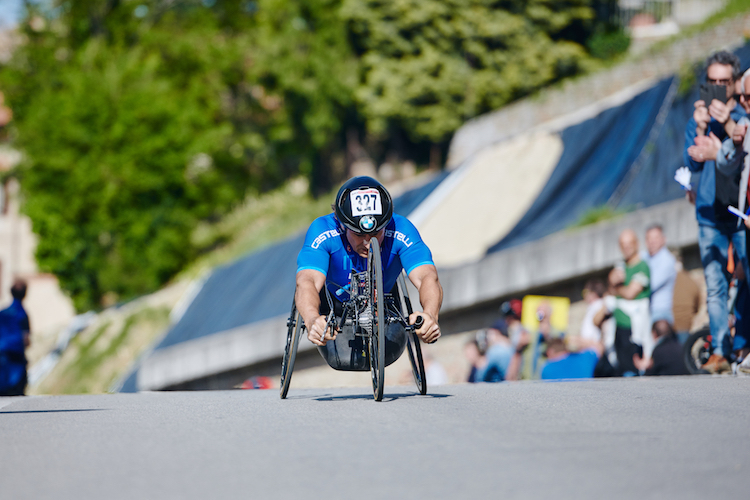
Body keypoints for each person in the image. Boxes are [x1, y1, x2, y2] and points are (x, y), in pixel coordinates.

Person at [295, 176, 442, 371]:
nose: (367, 241)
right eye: (358, 234)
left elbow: (427, 276)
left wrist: (430, 314)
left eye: (375, 234)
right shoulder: (323, 231)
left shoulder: (401, 228)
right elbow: (307, 282)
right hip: (333, 301)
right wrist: (313, 319)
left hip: (384, 299)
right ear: (341, 223)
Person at [684, 51, 748, 374]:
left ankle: (743, 346)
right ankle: (720, 350)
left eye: (725, 81)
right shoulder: (699, 118)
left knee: (747, 278)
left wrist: (726, 122)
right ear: (706, 84)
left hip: (740, 212)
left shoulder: (742, 113)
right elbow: (691, 162)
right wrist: (699, 128)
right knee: (716, 285)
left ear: (735, 83)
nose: (720, 88)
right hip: (710, 212)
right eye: (714, 82)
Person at [595, 229, 652, 376]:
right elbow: (610, 293)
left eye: (629, 244)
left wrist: (615, 286)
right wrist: (612, 284)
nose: (626, 248)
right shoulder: (620, 267)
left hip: (633, 330)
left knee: (632, 372)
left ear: (636, 244)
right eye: (622, 245)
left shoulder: (642, 267)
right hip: (617, 329)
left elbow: (630, 293)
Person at [0, 279, 31, 396]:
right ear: (25, 294)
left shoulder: (2, 313)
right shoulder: (22, 314)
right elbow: (26, 339)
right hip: (16, 361)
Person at [642, 225, 676, 324]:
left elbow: (649, 285)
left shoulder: (667, 260)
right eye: (649, 238)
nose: (652, 241)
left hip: (661, 313)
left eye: (656, 238)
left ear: (663, 239)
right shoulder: (643, 257)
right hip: (644, 311)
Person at [672, 254, 701, 344]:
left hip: (670, 324)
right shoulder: (690, 279)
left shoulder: (667, 279)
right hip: (686, 324)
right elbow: (697, 304)